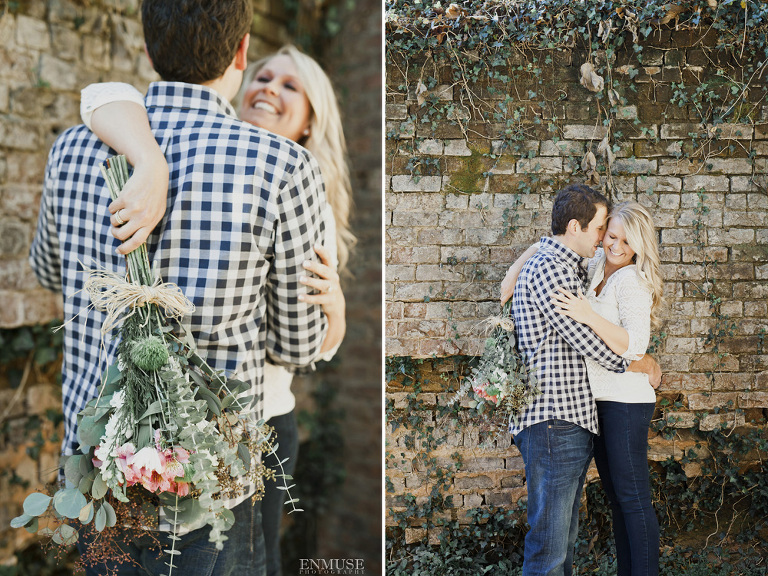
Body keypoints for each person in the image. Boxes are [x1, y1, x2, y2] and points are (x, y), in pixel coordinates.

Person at [29, 1, 330, 574]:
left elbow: (49, 272)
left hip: (97, 486)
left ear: (147, 49)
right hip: (207, 490)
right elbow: (295, 348)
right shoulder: (284, 167)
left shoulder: (71, 150)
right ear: (243, 51)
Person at [501, 184, 661, 576]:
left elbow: (632, 341)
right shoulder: (572, 269)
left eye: (622, 237)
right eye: (605, 232)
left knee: (620, 504)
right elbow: (583, 337)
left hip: (602, 408)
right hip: (571, 411)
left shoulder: (613, 276)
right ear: (581, 228)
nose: (610, 242)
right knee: (569, 532)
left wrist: (637, 361)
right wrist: (636, 364)